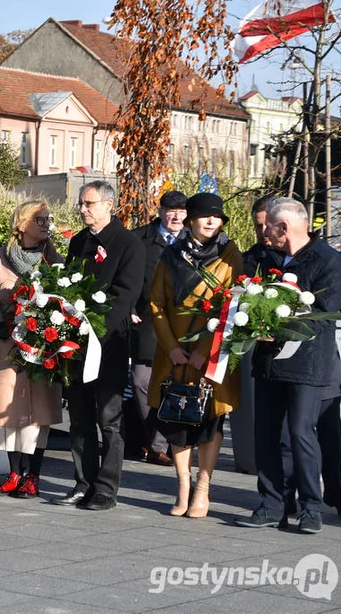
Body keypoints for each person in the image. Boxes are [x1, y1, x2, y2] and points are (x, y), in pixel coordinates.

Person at [236, 198, 341, 534]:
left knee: (301, 433)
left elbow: (328, 313)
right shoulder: (260, 257)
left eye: (267, 226)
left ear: (283, 227)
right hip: (268, 362)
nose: (263, 232)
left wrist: (281, 328)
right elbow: (244, 294)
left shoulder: (328, 260)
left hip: (309, 363)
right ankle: (271, 504)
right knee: (266, 434)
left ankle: (311, 507)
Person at [149, 193, 243, 518]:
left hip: (212, 355)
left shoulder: (230, 254)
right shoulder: (172, 254)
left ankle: (203, 487)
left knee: (210, 421)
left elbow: (233, 304)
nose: (211, 221)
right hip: (174, 352)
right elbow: (156, 303)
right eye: (205, 216)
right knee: (177, 420)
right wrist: (172, 347)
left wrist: (204, 350)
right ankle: (183, 487)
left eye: (217, 217)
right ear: (191, 220)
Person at [53, 180, 145, 511]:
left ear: (109, 205)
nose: (82, 209)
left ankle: (106, 487)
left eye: (88, 203)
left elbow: (126, 293)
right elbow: (67, 285)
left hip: (108, 342)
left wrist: (93, 326)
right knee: (78, 416)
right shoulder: (78, 242)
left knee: (109, 418)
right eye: (81, 203)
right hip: (77, 343)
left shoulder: (129, 244)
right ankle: (83, 481)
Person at [0, 200, 62, 498]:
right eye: (40, 219)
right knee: (8, 411)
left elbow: (64, 295)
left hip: (42, 346)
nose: (46, 224)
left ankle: (34, 477)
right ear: (22, 224)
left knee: (39, 412)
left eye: (48, 219)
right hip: (7, 346)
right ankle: (14, 473)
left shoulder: (53, 257)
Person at [130, 190, 186, 467]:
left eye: (181, 211)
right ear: (160, 211)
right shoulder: (140, 238)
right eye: (170, 210)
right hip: (147, 321)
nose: (176, 216)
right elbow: (127, 276)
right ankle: (155, 439)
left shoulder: (194, 241)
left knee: (175, 383)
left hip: (184, 324)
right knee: (142, 381)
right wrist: (129, 308)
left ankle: (159, 445)